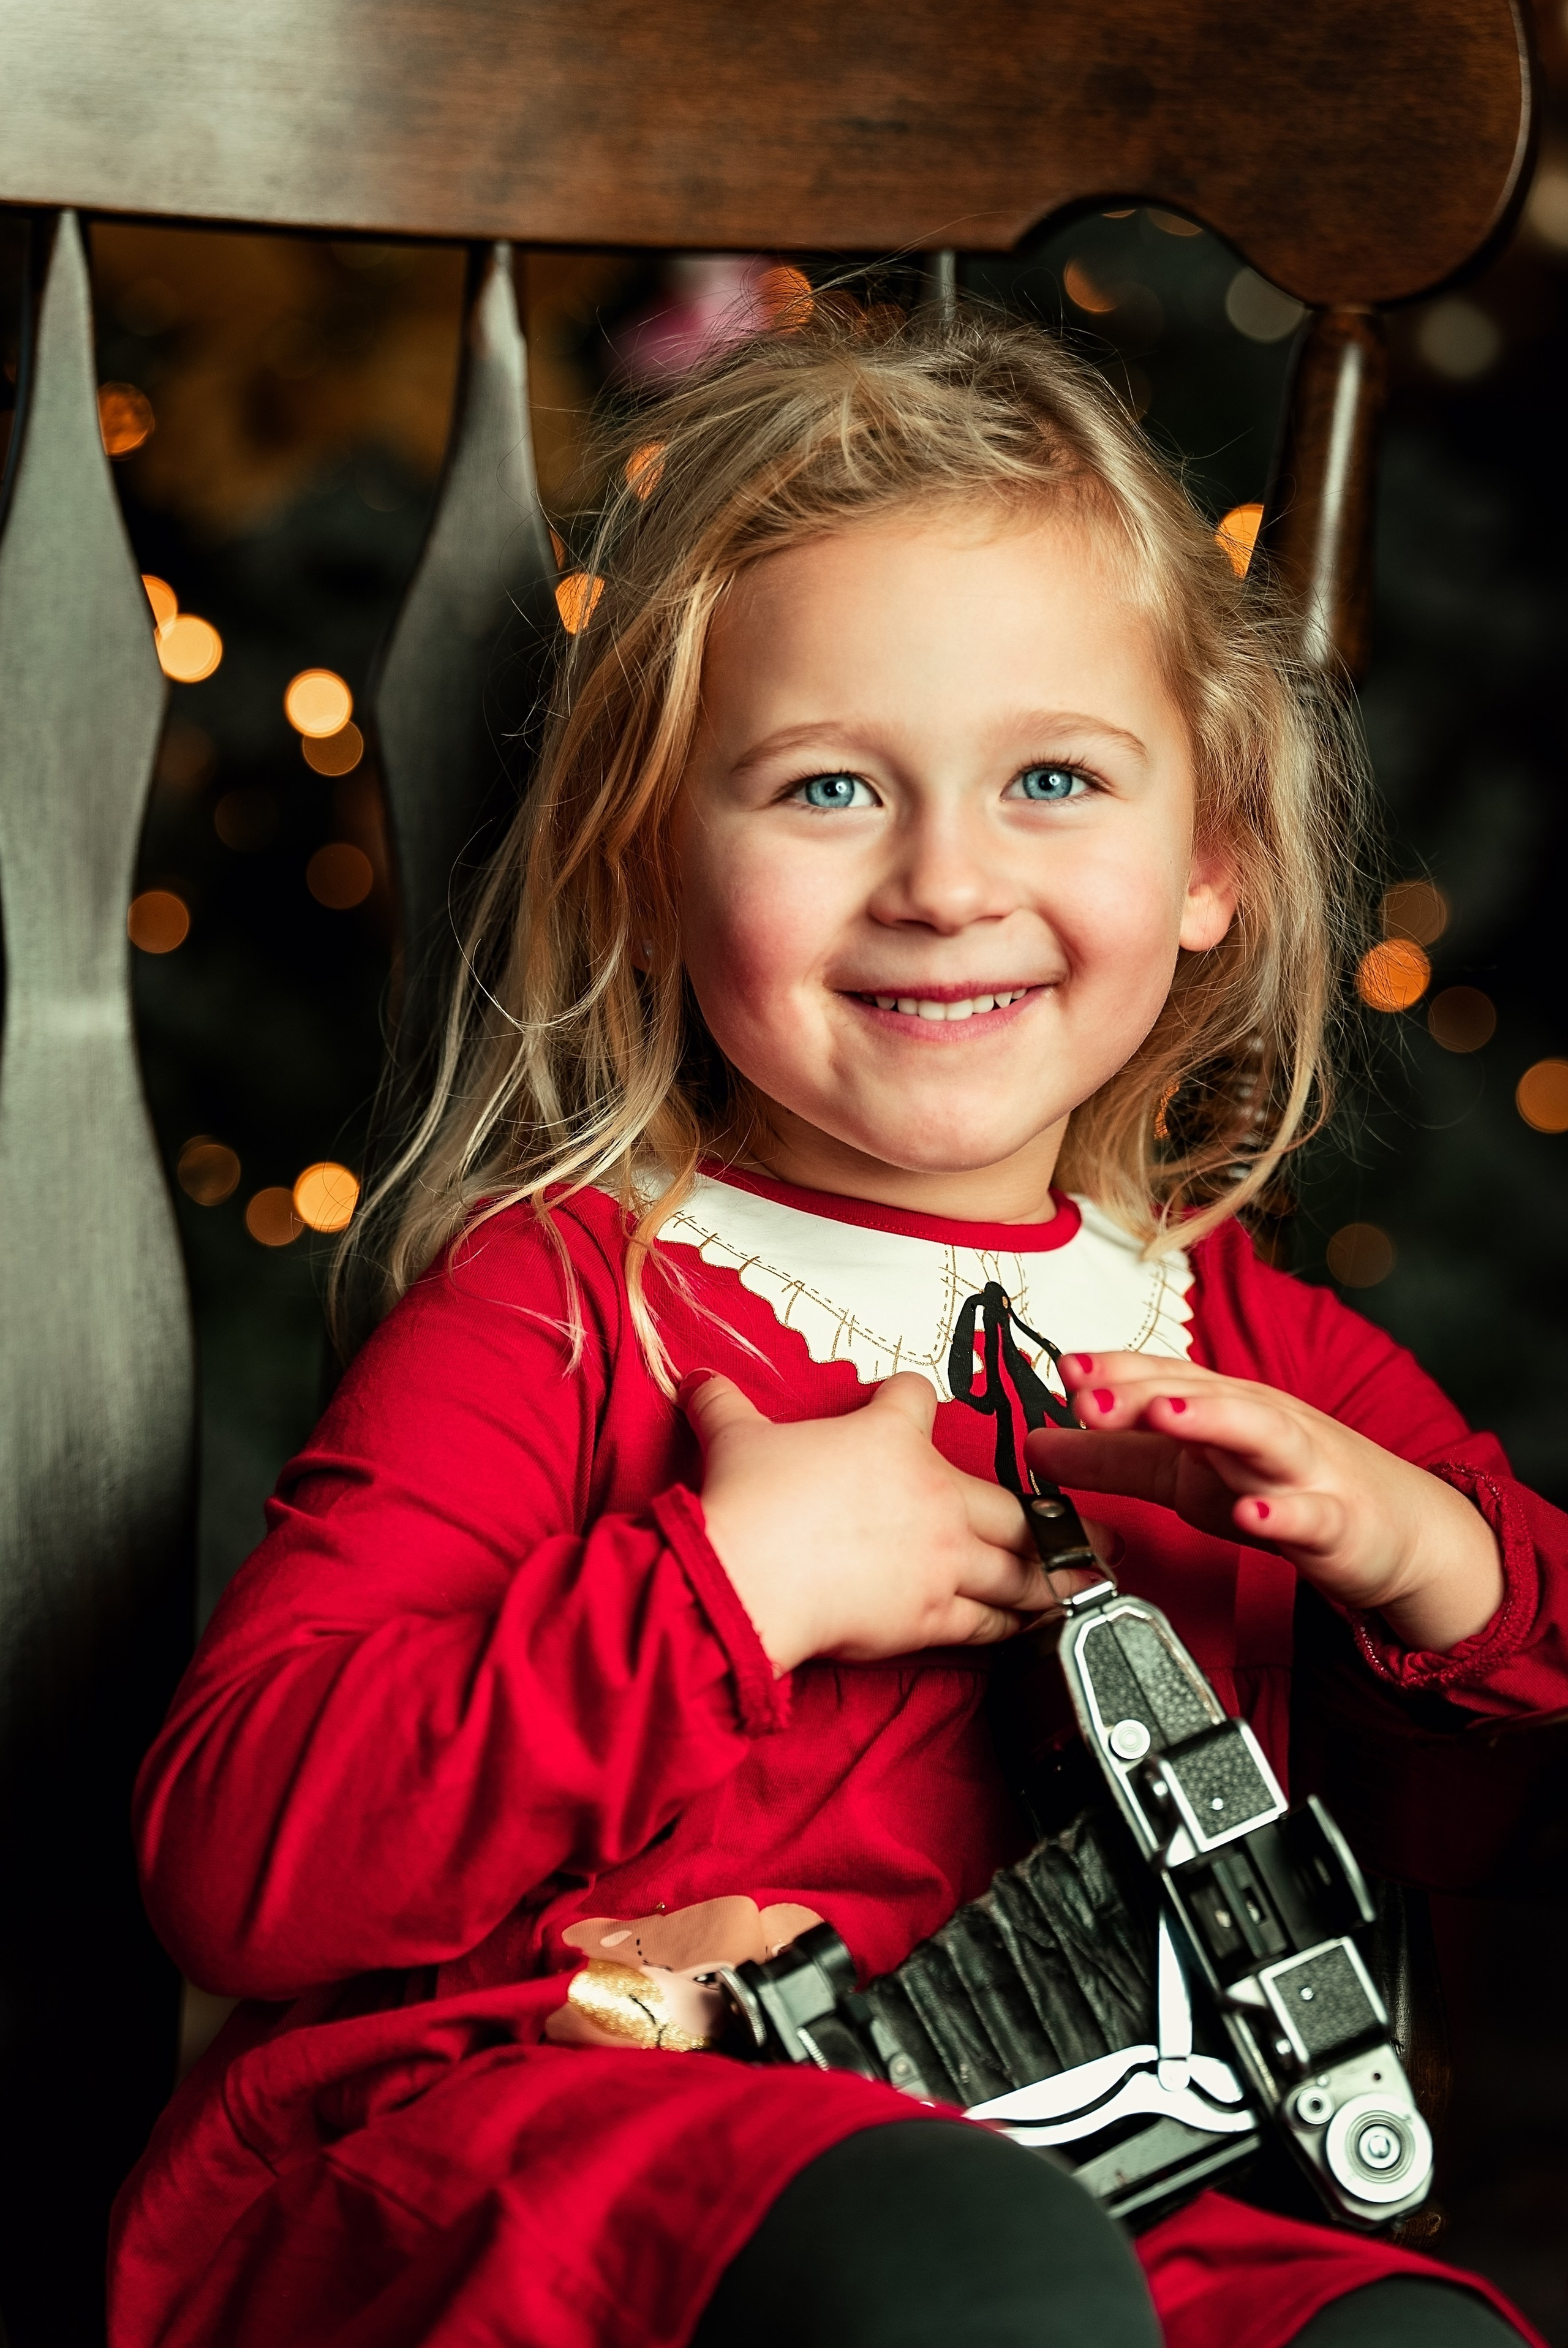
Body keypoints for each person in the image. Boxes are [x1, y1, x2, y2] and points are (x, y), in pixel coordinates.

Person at [108, 304, 1564, 2348]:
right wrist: (728, 1583)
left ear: (1215, 856)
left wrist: (1440, 1564)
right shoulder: (567, 1309)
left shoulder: (1249, 1346)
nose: (947, 881)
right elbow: (240, 1853)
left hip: (1122, 2167)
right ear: (653, 862)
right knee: (964, 2265)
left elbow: (1486, 1826)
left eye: (1053, 776)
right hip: (585, 2164)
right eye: (824, 792)